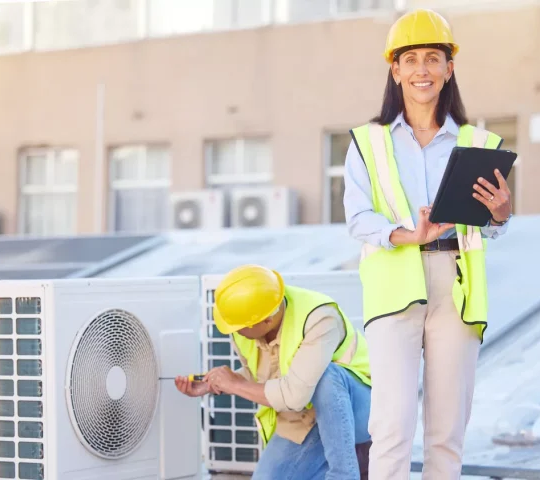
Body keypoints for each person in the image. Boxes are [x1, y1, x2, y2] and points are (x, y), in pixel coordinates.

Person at [342, 8, 512, 480]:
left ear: (449, 68)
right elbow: (358, 218)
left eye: (433, 59)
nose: (422, 70)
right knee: (392, 428)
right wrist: (406, 234)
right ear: (394, 70)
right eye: (411, 59)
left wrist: (500, 215)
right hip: (395, 285)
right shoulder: (367, 142)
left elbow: (490, 226)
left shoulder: (479, 141)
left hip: (455, 288)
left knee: (446, 432)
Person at [175, 264, 372, 480]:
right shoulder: (247, 327)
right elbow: (264, 376)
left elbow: (295, 395)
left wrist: (236, 385)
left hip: (360, 409)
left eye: (239, 327)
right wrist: (216, 383)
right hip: (307, 417)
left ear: (267, 320)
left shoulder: (320, 318)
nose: (234, 331)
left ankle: (344, 475)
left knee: (327, 378)